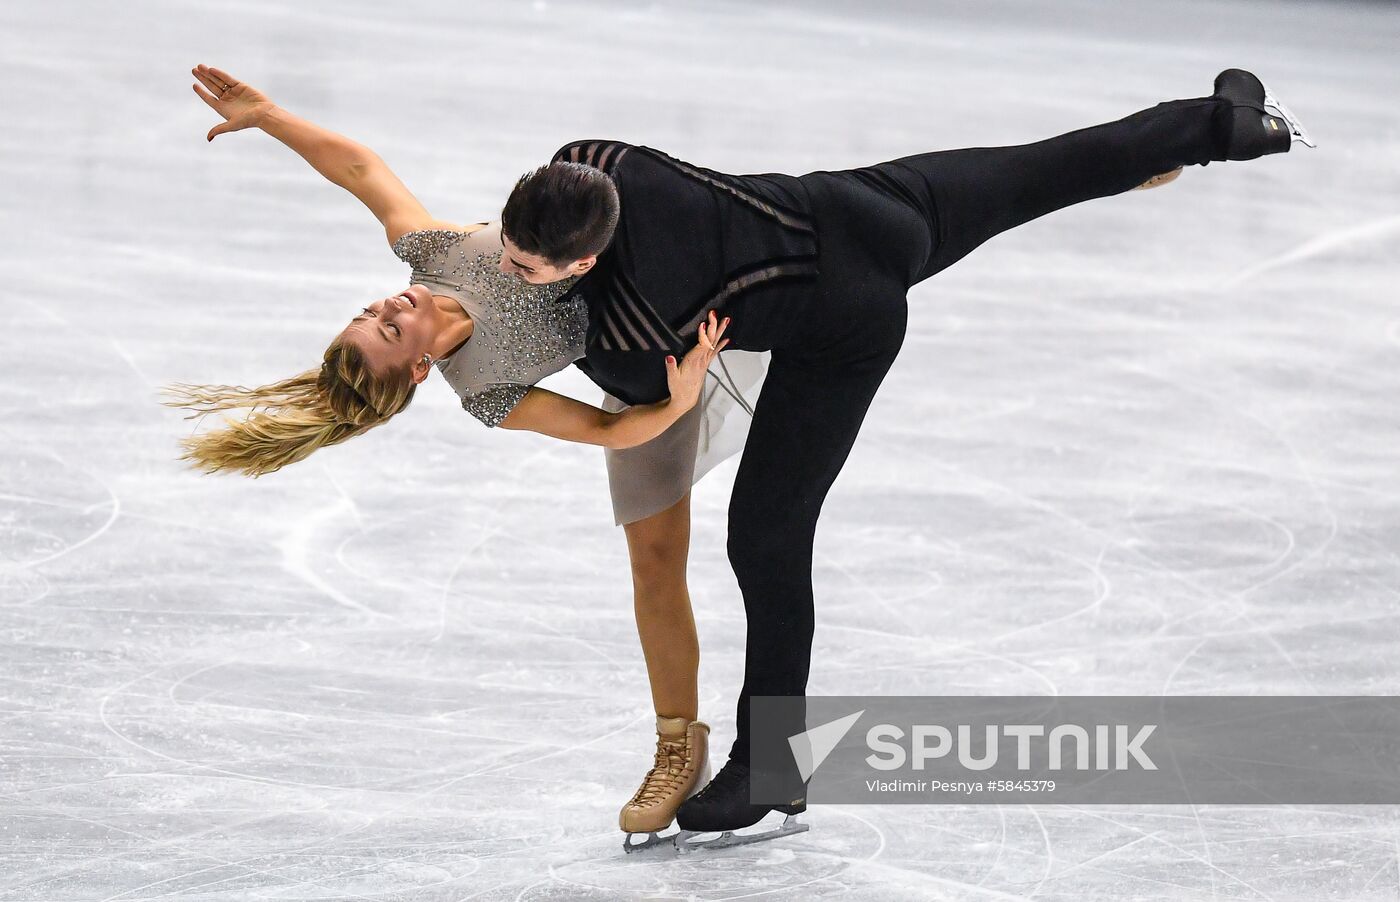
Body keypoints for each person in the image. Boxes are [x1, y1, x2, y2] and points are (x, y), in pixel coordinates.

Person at [483, 68, 1315, 848]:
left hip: (842, 321)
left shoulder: (633, 322)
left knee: (765, 541)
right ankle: (1228, 121)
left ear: (584, 262)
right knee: (1040, 171)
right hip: (868, 206)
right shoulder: (597, 162)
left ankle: (773, 768)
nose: (510, 271)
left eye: (526, 267)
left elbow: (642, 387)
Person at [161, 64, 753, 851]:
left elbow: (361, 171)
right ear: (415, 369)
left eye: (368, 311)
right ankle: (679, 743)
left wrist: (269, 117)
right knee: (653, 558)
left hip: (712, 304)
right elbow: (607, 433)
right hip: (656, 384)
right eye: (389, 329)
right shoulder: (486, 391)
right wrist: (676, 403)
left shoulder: (433, 251)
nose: (388, 304)